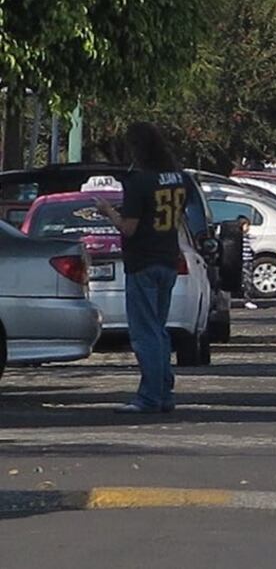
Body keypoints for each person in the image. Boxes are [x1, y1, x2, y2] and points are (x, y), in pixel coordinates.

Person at [94, 122, 185, 414]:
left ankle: (150, 396)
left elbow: (129, 228)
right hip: (168, 257)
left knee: (145, 333)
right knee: (158, 329)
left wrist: (108, 211)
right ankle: (163, 391)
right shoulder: (177, 179)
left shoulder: (139, 182)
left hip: (142, 260)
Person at [237, 215, 257, 310]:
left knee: (247, 281)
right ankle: (247, 300)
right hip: (244, 261)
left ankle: (247, 300)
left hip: (247, 261)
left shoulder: (247, 237)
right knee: (247, 281)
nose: (248, 228)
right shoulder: (241, 238)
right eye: (247, 225)